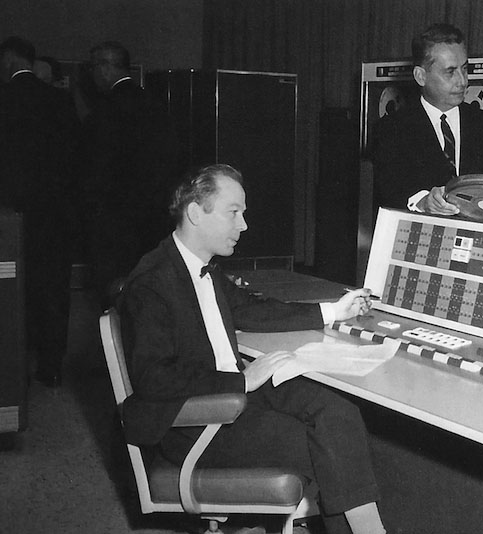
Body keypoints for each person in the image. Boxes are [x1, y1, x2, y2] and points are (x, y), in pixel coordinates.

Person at [118, 164, 388, 534]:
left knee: (338, 414)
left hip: (236, 393)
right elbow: (153, 378)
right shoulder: (152, 282)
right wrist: (241, 381)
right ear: (196, 213)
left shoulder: (202, 266)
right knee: (329, 450)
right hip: (197, 420)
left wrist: (331, 311)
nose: (244, 225)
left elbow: (251, 309)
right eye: (234, 212)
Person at [0, 36, 80, 387]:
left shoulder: (4, 99)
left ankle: (14, 359)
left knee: (11, 286)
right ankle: (52, 363)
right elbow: (76, 156)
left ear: (8, 61)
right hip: (54, 210)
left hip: (10, 212)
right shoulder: (60, 101)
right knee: (52, 287)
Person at [371, 23, 483, 215]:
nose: (462, 81)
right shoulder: (391, 130)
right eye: (450, 72)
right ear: (421, 76)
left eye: (464, 69)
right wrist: (424, 202)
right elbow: (389, 194)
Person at [81, 41, 180, 304]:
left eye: (94, 67)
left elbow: (96, 169)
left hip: (115, 219)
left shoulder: (104, 112)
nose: (93, 74)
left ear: (105, 68)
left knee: (113, 292)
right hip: (155, 217)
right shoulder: (156, 104)